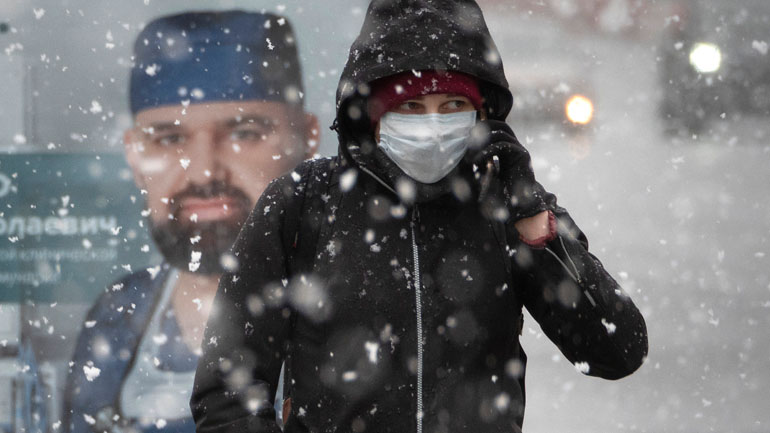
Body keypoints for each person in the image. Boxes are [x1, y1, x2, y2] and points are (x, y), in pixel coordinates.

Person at [191, 1, 648, 432]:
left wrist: (534, 224)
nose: (432, 126)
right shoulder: (303, 202)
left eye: (452, 106)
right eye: (410, 107)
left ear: (481, 116)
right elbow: (227, 389)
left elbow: (616, 351)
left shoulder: (506, 202)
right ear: (370, 114)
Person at [63, 10, 317, 433]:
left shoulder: (362, 306)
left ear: (308, 139)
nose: (203, 172)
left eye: (244, 132)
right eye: (170, 138)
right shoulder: (117, 316)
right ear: (134, 155)